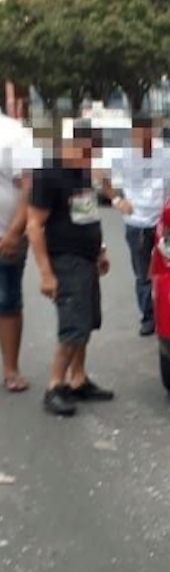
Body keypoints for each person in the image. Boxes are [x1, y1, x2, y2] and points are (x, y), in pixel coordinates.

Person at [27, 119, 114, 417]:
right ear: (73, 145)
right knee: (73, 326)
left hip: (87, 258)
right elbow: (34, 226)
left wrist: (100, 250)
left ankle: (78, 379)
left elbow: (86, 214)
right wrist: (46, 274)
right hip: (65, 260)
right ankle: (55, 387)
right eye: (89, 152)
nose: (92, 159)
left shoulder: (80, 171)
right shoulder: (49, 173)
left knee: (87, 322)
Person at [101, 115, 170, 337]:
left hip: (164, 223)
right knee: (143, 274)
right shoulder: (123, 155)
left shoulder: (168, 153)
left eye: (148, 131)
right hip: (136, 222)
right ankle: (148, 317)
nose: (144, 136)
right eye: (139, 132)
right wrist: (117, 200)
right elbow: (100, 174)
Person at [0, 112, 38, 392]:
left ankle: (11, 369)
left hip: (6, 235)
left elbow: (29, 186)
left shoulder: (16, 134)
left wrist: (14, 232)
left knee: (7, 299)